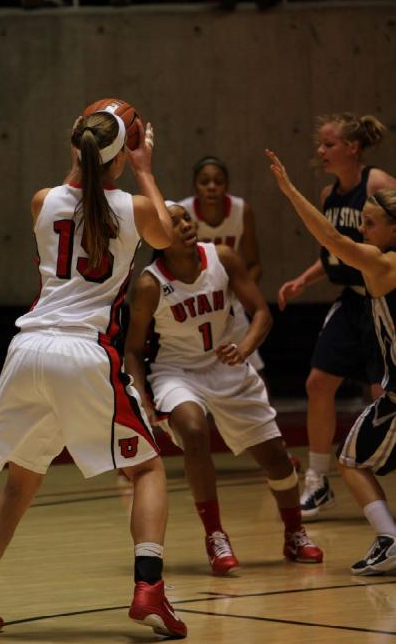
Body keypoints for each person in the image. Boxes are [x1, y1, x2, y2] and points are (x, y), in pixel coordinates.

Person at [0, 110, 188, 641]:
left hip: (27, 349)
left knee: (18, 486)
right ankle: (149, 589)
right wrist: (145, 168)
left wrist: (98, 138)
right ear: (122, 155)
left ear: (75, 148)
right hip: (83, 351)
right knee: (147, 470)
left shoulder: (42, 199)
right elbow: (167, 237)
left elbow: (82, 182)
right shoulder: (135, 207)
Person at [124, 203, 324, 576]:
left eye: (187, 218)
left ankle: (295, 532)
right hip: (177, 372)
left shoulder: (224, 258)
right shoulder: (150, 284)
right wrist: (143, 404)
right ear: (158, 236)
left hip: (228, 364)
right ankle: (215, 535)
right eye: (176, 221)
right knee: (194, 432)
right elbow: (133, 352)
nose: (186, 224)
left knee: (277, 458)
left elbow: (262, 312)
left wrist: (245, 347)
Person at [267, 150, 396, 576]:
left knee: (352, 460)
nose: (362, 229)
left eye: (370, 223)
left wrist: (288, 191)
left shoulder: (381, 264)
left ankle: (389, 538)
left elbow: (331, 240)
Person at [179, 155, 264, 373]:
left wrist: (238, 292)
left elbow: (254, 265)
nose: (212, 187)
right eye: (204, 181)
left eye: (218, 181)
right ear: (195, 186)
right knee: (197, 371)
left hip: (230, 301)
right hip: (195, 303)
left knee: (255, 369)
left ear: (226, 185)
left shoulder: (240, 209)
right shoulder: (182, 213)